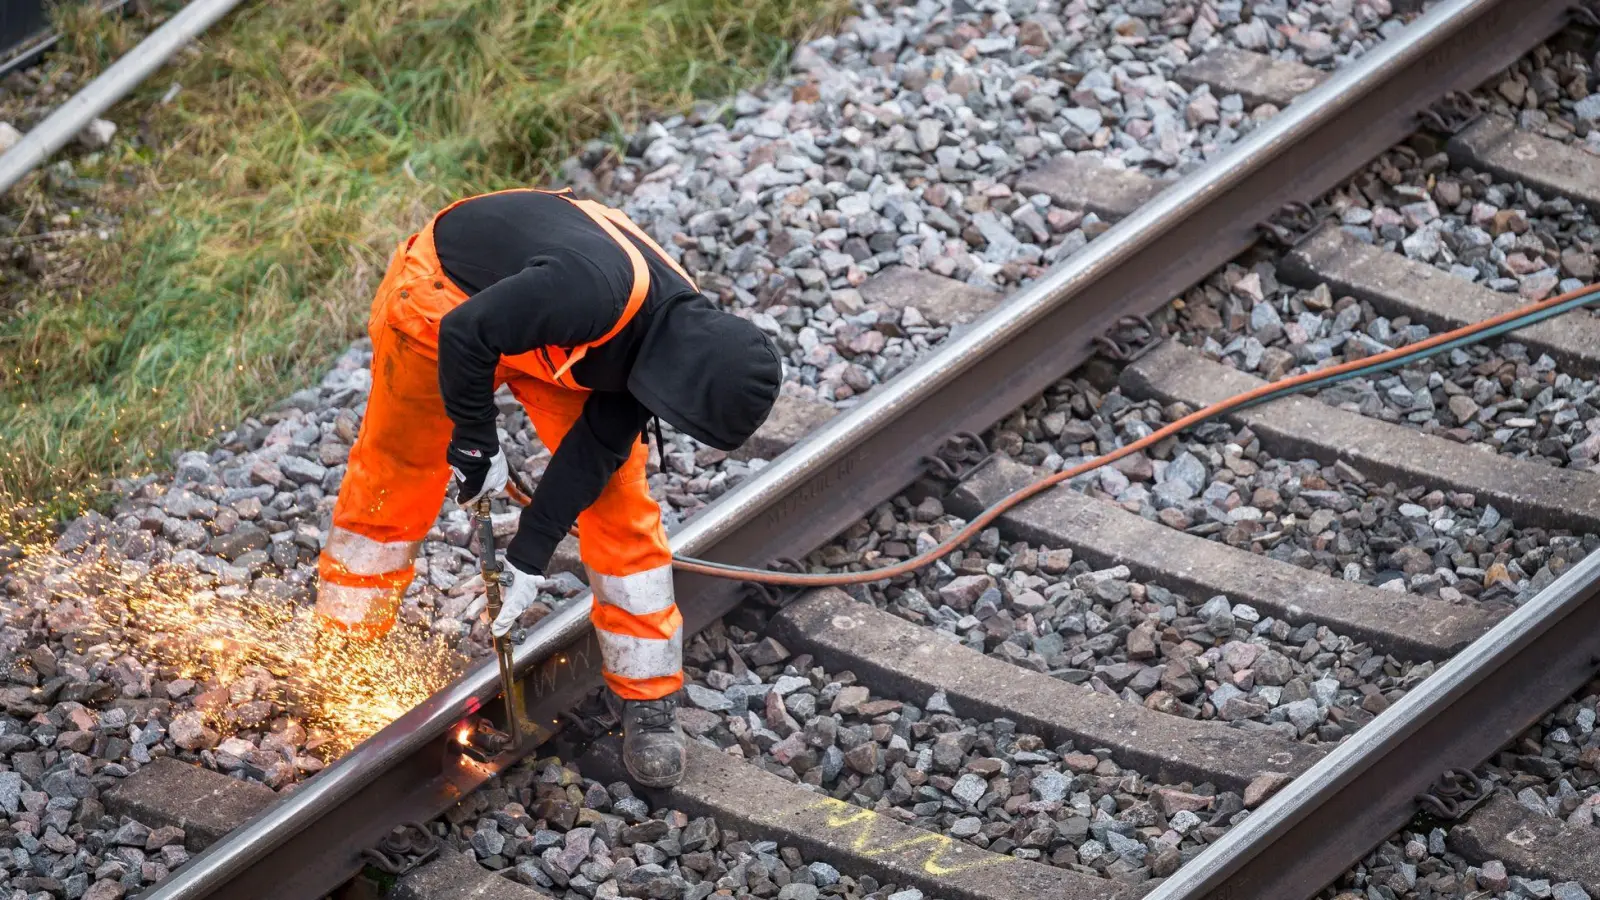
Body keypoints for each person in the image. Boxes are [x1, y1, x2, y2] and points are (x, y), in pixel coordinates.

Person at [312, 187, 781, 787]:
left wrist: (529, 555)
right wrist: (477, 443)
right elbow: (465, 334)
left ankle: (648, 694)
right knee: (397, 477)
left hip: (555, 330)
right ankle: (346, 651)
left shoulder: (678, 344)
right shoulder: (590, 293)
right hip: (447, 301)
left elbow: (592, 456)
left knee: (620, 507)